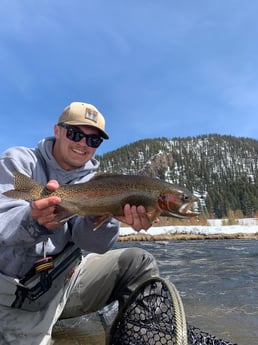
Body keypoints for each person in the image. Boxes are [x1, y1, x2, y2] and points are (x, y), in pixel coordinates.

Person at [0, 102, 160, 345]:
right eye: (75, 134)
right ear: (57, 130)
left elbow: (94, 244)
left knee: (137, 262)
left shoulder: (95, 182)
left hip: (63, 280)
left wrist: (107, 216)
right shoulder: (19, 161)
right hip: (14, 289)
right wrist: (33, 221)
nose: (83, 144)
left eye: (93, 141)